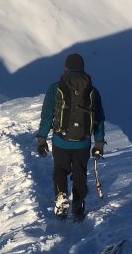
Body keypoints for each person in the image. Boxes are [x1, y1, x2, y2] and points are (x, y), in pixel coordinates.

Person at [35, 53, 105, 222]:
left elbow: (47, 115)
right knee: (79, 173)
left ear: (65, 68)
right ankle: (78, 205)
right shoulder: (92, 91)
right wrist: (99, 143)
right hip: (82, 142)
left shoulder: (55, 88)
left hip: (61, 140)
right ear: (82, 68)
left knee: (60, 170)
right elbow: (99, 118)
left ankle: (61, 196)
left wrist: (41, 138)